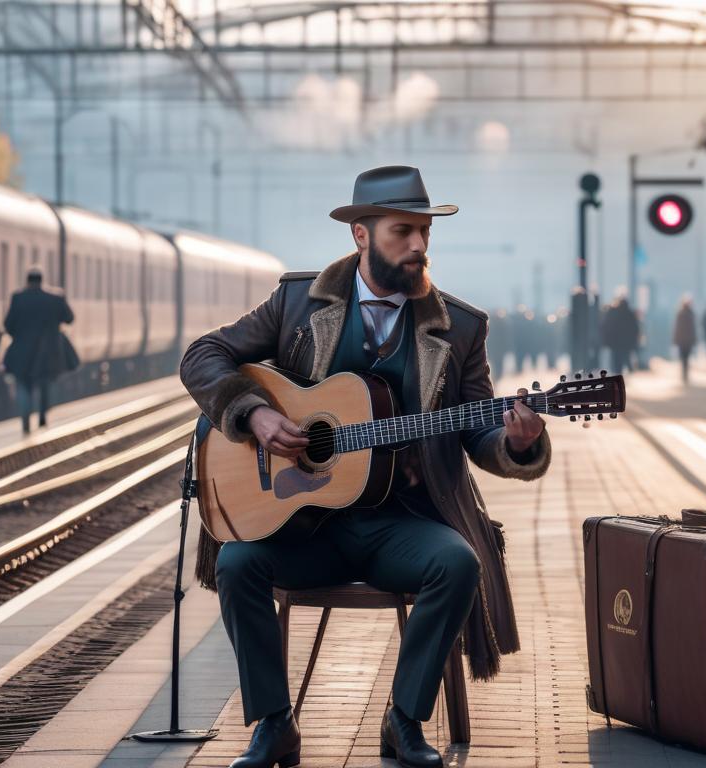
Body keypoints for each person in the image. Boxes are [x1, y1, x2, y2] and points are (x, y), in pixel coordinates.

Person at [180, 166, 552, 768]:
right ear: (360, 235)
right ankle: (274, 724)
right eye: (402, 231)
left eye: (425, 232)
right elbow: (203, 355)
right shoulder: (297, 302)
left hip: (401, 523)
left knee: (458, 562)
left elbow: (479, 427)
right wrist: (253, 416)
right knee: (238, 561)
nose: (418, 246)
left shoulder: (459, 328)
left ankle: (403, 721)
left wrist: (518, 442)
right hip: (305, 526)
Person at [2, 266, 75, 434]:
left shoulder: (18, 298)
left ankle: (25, 418)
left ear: (27, 281)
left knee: (23, 384)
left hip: (22, 351)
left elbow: (8, 325)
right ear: (42, 280)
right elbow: (69, 318)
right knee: (45, 382)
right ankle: (42, 415)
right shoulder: (55, 298)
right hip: (48, 351)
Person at [600, 292, 639, 375]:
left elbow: (606, 326)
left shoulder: (613, 312)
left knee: (616, 359)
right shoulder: (629, 313)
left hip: (615, 342)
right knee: (625, 356)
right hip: (625, 342)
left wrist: (607, 340)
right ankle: (627, 369)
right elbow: (635, 328)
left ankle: (618, 372)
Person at [672, 295, 697, 383]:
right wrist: (694, 339)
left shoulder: (680, 313)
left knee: (683, 358)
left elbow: (677, 328)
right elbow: (693, 329)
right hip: (688, 341)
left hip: (682, 341)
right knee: (686, 358)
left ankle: (684, 373)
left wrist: (675, 339)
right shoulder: (690, 314)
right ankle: (685, 374)